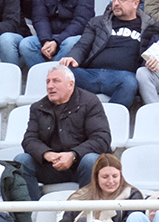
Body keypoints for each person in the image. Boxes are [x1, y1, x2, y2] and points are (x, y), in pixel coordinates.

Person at [17, 64, 111, 199]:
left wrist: (73, 155)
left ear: (70, 84)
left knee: (91, 160)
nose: (50, 86)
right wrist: (46, 154)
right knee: (21, 161)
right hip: (52, 165)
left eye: (56, 81)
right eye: (48, 82)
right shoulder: (38, 107)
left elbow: (102, 139)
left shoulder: (90, 102)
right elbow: (29, 140)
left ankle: (85, 214)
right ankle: (31, 214)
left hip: (82, 165)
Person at [53, 154, 143, 222]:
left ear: (121, 175)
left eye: (115, 176)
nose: (111, 181)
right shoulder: (80, 196)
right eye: (105, 177)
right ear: (96, 177)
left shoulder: (132, 195)